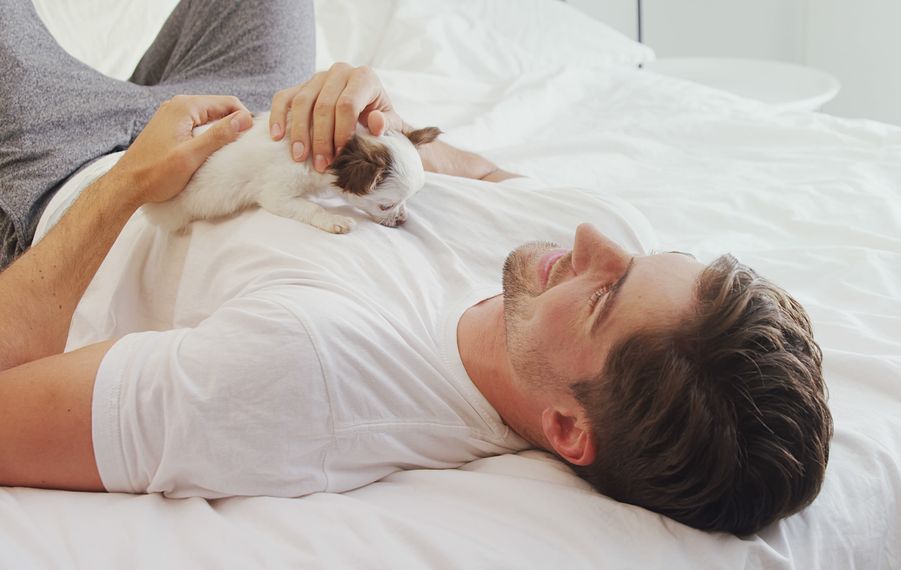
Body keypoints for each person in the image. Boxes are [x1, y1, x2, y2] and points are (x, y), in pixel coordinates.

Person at [0, 0, 832, 535]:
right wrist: (378, 118)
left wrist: (125, 184)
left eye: (604, 293)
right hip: (250, 122)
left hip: (79, 172)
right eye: (643, 259)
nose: (590, 240)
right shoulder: (583, 247)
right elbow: (463, 167)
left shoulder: (311, 375)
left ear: (570, 431)